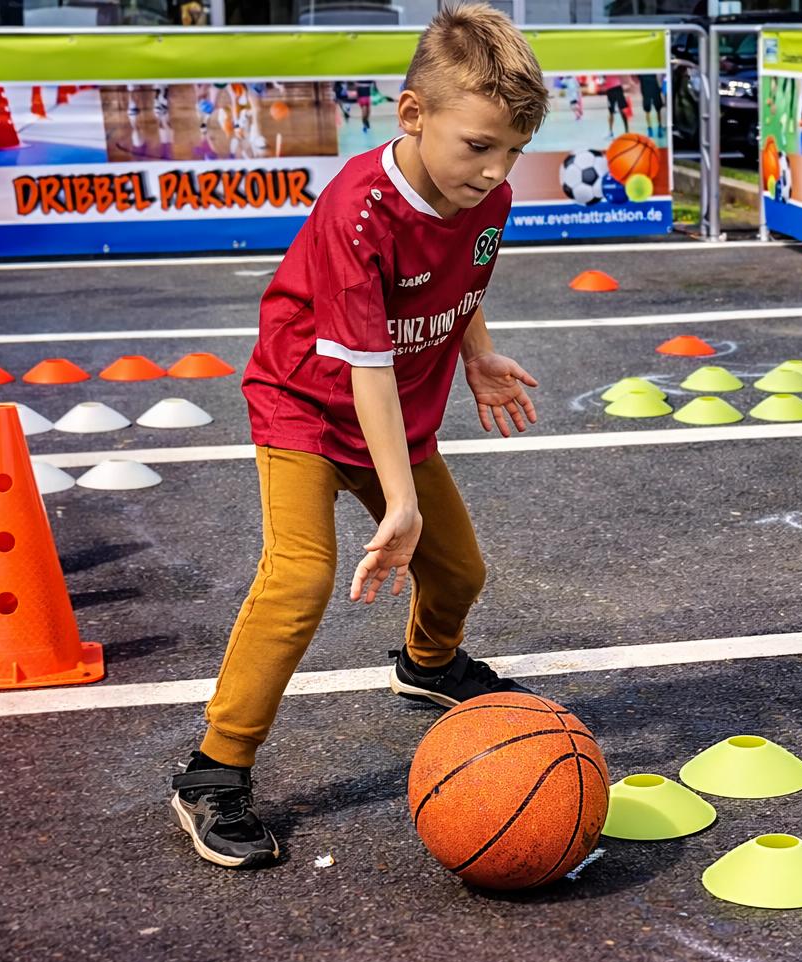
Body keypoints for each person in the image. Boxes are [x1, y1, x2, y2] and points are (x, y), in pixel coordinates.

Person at [168, 3, 548, 869]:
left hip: (395, 413)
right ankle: (213, 771)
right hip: (306, 407)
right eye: (479, 146)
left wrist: (478, 353)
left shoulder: (488, 198)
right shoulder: (359, 211)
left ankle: (427, 663)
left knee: (460, 571)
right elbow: (364, 368)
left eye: (513, 152)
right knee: (299, 579)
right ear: (413, 114)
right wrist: (401, 503)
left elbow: (462, 277)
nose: (494, 171)